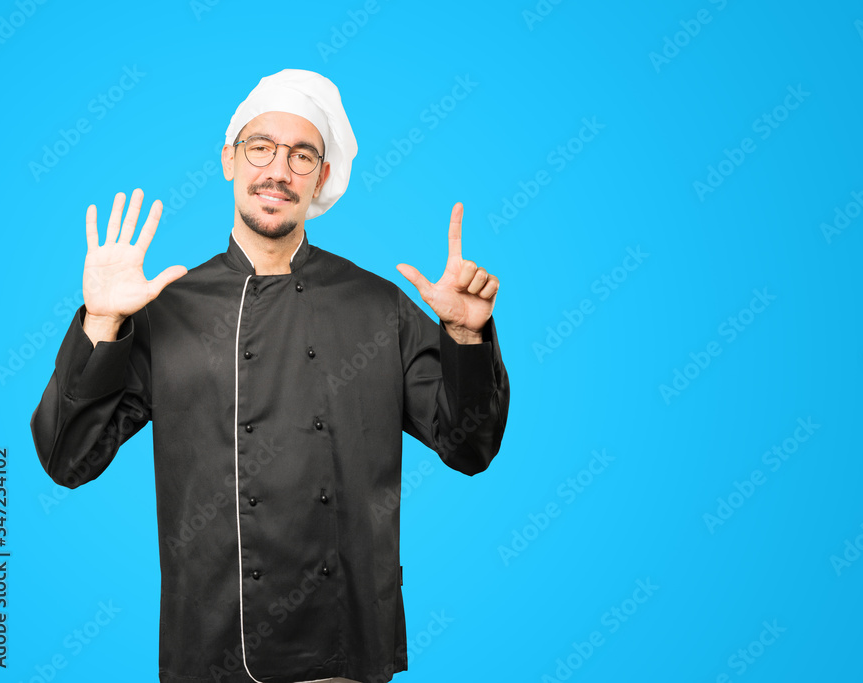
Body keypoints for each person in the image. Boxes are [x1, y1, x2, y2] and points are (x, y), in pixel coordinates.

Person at [30, 69, 509, 683]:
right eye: (261, 147)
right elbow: (68, 458)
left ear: (323, 177)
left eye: (302, 155)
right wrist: (101, 321)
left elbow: (469, 446)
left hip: (342, 648)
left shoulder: (375, 305)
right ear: (230, 159)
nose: (278, 170)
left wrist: (466, 338)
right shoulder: (168, 308)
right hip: (210, 645)